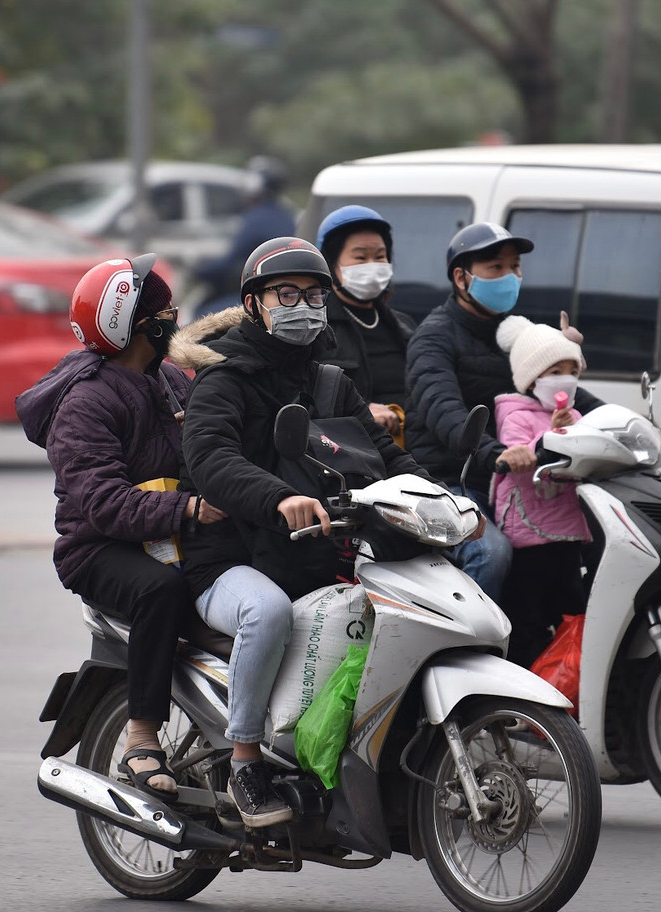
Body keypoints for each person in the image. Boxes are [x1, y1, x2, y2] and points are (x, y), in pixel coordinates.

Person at [170, 237, 440, 828]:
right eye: (286, 294)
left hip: (314, 553)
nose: (304, 305)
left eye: (315, 295)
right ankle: (244, 762)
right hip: (230, 560)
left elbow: (380, 457)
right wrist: (279, 497)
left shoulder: (329, 382)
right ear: (253, 303)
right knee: (264, 612)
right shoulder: (223, 379)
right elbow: (211, 459)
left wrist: (438, 499)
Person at [15, 254, 227, 800]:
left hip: (171, 533)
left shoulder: (171, 381)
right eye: (165, 311)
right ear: (137, 327)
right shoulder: (85, 401)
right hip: (100, 548)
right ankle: (141, 736)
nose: (176, 318)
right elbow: (105, 504)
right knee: (162, 591)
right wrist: (190, 508)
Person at [404, 221, 604, 601]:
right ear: (462, 278)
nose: (510, 277)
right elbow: (443, 410)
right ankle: (473, 655)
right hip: (454, 482)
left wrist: (632, 427)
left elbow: (564, 389)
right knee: (491, 553)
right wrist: (496, 453)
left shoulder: (519, 334)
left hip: (516, 479)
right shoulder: (433, 337)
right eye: (496, 268)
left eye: (515, 267)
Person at [491, 316, 591, 666]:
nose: (566, 378)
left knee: (570, 614)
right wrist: (548, 435)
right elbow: (518, 458)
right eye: (555, 371)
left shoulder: (577, 415)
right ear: (532, 379)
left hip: (565, 533)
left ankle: (566, 684)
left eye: (573, 371)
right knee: (528, 619)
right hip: (528, 536)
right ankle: (525, 695)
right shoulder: (515, 414)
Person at [315, 205, 416, 444]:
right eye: (360, 257)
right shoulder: (316, 328)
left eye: (380, 256)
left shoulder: (404, 326)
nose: (372, 265)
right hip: (354, 453)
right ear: (331, 264)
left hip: (412, 453)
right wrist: (362, 410)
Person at [192, 155, 296, 318]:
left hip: (262, 290)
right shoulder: (285, 215)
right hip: (284, 290)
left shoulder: (256, 218)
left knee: (202, 315)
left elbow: (229, 262)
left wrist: (199, 269)